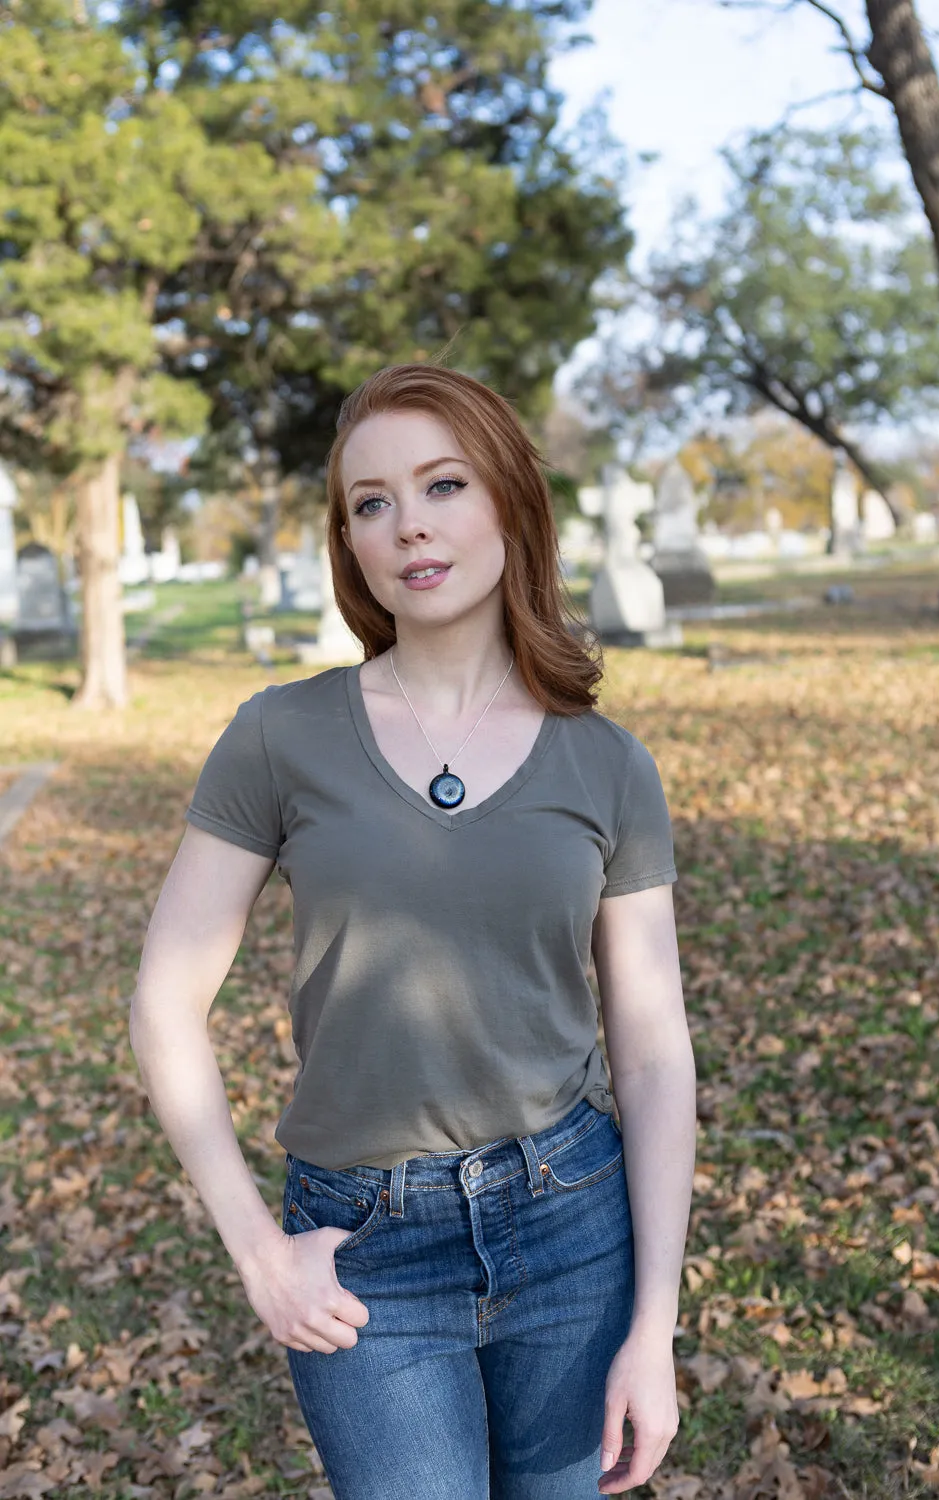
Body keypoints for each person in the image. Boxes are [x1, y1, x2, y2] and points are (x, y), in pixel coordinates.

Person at [129, 364, 697, 1500]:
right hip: (363, 1245)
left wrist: (655, 1326)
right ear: (349, 539)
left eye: (443, 484)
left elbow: (650, 1051)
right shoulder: (278, 738)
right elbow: (162, 1003)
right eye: (371, 502)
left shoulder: (605, 761)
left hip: (571, 1221)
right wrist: (256, 1251)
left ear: (508, 505)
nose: (409, 525)